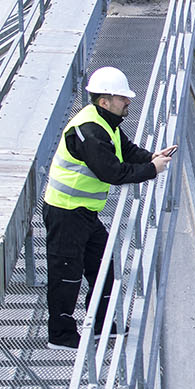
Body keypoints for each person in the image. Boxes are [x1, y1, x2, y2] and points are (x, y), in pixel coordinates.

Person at [42, 66, 175, 349]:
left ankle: (102, 324)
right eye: (122, 98)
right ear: (105, 101)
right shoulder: (90, 131)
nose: (128, 102)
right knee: (66, 273)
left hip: (84, 212)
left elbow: (125, 150)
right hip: (66, 212)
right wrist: (152, 169)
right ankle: (61, 335)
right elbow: (112, 173)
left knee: (104, 265)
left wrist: (151, 157)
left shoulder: (106, 123)